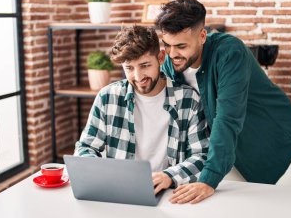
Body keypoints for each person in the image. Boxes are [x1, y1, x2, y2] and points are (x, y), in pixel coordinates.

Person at [155, 0, 291, 204]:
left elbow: (227, 118)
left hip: (269, 136)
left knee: (276, 210)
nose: (173, 54)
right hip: (225, 148)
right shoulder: (172, 62)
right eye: (167, 45)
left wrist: (208, 180)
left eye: (180, 46)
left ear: (202, 36)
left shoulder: (230, 52)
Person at [75, 25, 209, 196]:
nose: (138, 77)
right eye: (129, 68)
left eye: (145, 65)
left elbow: (201, 155)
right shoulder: (108, 97)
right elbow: (86, 147)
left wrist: (169, 176)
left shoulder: (188, 99)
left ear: (161, 57)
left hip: (170, 192)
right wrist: (102, 174)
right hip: (120, 192)